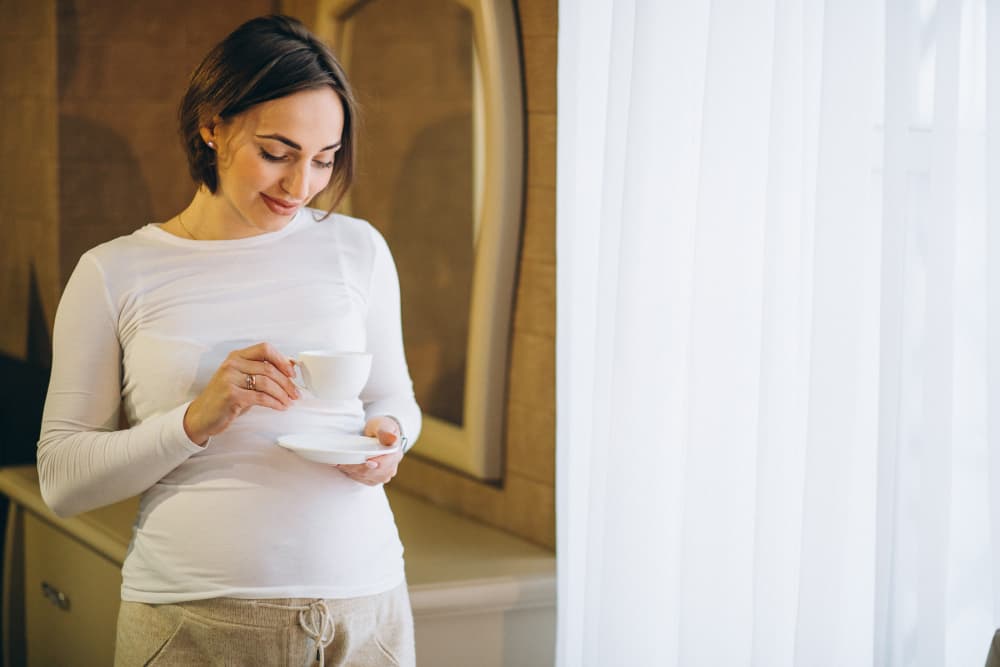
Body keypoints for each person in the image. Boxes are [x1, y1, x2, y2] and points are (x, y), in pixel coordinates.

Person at [36, 14, 420, 666]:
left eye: (323, 159)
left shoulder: (359, 250)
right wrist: (193, 420)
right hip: (193, 619)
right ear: (211, 125)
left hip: (366, 607)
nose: (301, 187)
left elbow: (394, 398)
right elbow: (62, 479)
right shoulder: (114, 271)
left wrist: (389, 439)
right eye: (277, 153)